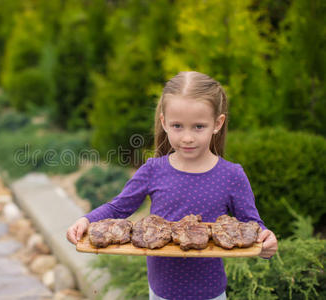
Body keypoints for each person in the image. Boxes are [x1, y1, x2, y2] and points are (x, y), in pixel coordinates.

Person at [66, 71, 278, 300]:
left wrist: (265, 241)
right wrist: (86, 220)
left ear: (217, 123)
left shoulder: (231, 175)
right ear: (164, 122)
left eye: (198, 127)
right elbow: (118, 208)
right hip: (161, 293)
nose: (187, 137)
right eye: (178, 126)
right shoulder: (153, 170)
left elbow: (252, 225)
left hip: (210, 294)